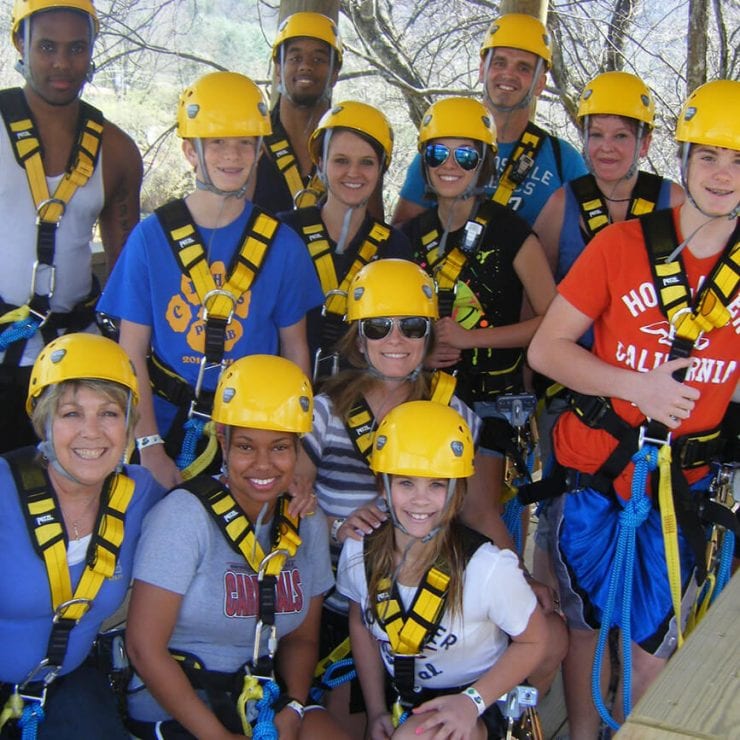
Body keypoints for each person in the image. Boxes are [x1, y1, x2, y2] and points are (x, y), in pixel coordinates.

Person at [528, 78, 740, 739]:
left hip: (686, 487)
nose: (723, 174)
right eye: (708, 156)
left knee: (657, 654)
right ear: (682, 161)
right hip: (596, 470)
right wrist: (636, 385)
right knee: (587, 621)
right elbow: (547, 351)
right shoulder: (622, 247)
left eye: (738, 161)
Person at [297, 258, 563, 735]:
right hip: (348, 603)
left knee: (550, 636)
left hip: (431, 592)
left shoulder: (452, 410)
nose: (395, 340)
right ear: (359, 337)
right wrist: (337, 525)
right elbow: (292, 494)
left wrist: (519, 574)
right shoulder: (325, 410)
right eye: (378, 327)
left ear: (429, 336)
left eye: (412, 327)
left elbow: (479, 508)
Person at [97, 71, 324, 489]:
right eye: (217, 141)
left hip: (252, 429)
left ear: (259, 151)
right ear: (190, 151)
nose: (232, 155)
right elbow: (131, 352)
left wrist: (295, 443)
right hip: (164, 424)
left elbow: (295, 351)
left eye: (244, 142)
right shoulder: (152, 238)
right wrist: (148, 446)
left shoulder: (283, 246)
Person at [124, 354, 349, 740]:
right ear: (223, 442)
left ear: (298, 449)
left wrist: (294, 706)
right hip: (177, 706)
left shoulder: (305, 519)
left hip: (261, 699)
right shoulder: (184, 516)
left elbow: (302, 638)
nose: (263, 465)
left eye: (279, 448)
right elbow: (144, 648)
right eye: (246, 447)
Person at [338, 400, 549, 739]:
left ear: (456, 491)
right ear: (384, 486)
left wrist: (472, 703)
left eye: (436, 485)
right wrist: (375, 710)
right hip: (399, 692)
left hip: (477, 697)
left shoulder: (487, 568)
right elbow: (361, 624)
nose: (420, 500)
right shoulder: (359, 551)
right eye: (406, 483)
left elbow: (536, 640)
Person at [401, 96, 556, 550]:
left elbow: (552, 319)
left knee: (476, 509)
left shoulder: (510, 233)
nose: (451, 165)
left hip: (494, 397)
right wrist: (426, 349)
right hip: (426, 392)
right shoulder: (409, 237)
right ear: (425, 163)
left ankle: (524, 606)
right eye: (437, 154)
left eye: (465, 155)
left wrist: (472, 338)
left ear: (484, 163)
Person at [0, 332, 164, 740]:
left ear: (129, 423)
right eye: (71, 413)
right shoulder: (3, 489)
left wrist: (298, 490)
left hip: (65, 684)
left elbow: (217, 505)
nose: (92, 432)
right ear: (44, 422)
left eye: (109, 413)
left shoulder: (138, 492)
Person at [0, 0, 143, 453]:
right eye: (47, 47)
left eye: (76, 48)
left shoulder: (116, 150)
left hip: (73, 358)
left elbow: (128, 272)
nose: (62, 63)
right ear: (19, 43)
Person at [392, 13, 586, 227]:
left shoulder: (564, 160)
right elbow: (401, 236)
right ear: (482, 70)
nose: (508, 74)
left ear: (540, 83)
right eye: (499, 62)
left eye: (523, 68)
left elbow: (585, 241)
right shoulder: (441, 151)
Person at [278, 100, 412, 382]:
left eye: (367, 162)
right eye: (341, 161)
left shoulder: (394, 248)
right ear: (320, 163)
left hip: (360, 397)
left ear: (381, 168)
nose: (354, 173)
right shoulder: (285, 233)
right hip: (286, 391)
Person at [535, 71, 684, 288]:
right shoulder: (562, 204)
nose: (606, 147)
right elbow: (534, 296)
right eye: (596, 135)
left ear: (644, 144)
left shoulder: (673, 202)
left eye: (621, 136)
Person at [252, 11, 340, 213]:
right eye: (295, 58)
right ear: (278, 69)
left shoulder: (354, 152)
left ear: (335, 73)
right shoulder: (250, 145)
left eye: (319, 59)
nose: (306, 66)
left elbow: (374, 228)